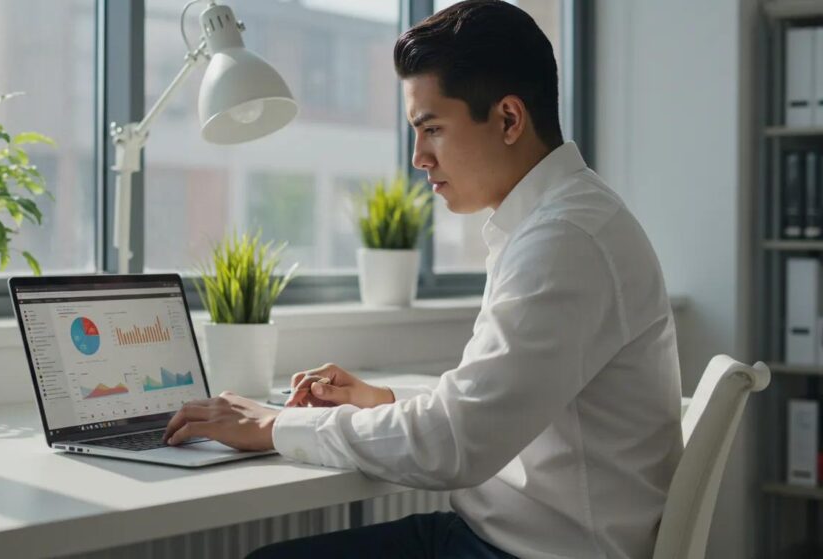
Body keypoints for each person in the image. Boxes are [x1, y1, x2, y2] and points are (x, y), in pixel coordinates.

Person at [163, 1, 683, 557]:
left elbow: (458, 442)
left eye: (431, 128)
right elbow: (490, 402)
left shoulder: (566, 240)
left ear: (509, 119)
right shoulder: (556, 221)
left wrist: (272, 427)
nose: (418, 157)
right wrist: (379, 398)